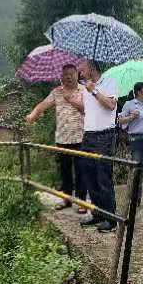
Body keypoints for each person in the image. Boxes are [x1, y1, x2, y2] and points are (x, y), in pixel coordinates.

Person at [25, 63, 86, 209]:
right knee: (64, 171)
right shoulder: (56, 92)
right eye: (66, 74)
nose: (69, 76)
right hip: (62, 138)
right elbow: (43, 105)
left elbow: (86, 108)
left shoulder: (84, 90)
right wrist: (33, 115)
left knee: (81, 170)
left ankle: (82, 202)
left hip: (80, 137)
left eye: (72, 73)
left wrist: (70, 99)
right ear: (61, 76)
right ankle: (66, 199)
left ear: (77, 74)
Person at [72, 60, 120, 233]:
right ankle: (98, 214)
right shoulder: (85, 87)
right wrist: (72, 101)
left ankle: (111, 219)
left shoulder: (109, 81)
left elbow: (110, 105)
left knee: (103, 177)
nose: (80, 73)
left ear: (92, 68)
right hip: (89, 135)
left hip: (104, 135)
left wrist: (94, 90)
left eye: (82, 69)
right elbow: (88, 109)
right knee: (89, 176)